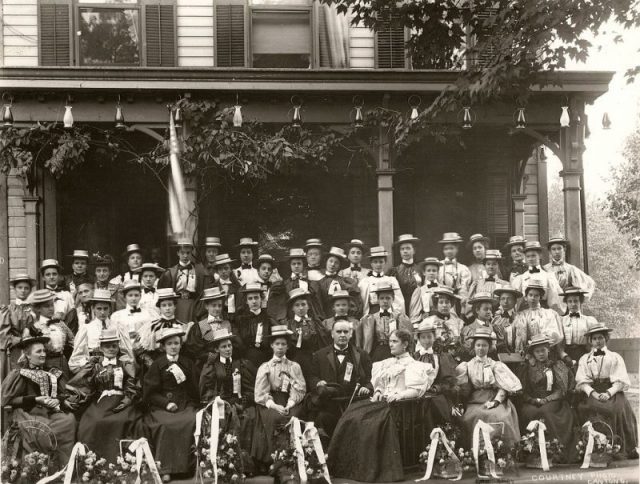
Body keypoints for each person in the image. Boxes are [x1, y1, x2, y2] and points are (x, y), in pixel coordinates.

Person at [328, 329, 434, 482]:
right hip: (383, 402)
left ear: (405, 344)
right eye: (390, 341)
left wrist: (400, 395)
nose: (390, 344)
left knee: (369, 422)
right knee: (352, 414)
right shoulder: (386, 363)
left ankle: (369, 470)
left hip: (401, 407)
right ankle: (348, 467)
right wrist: (378, 391)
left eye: (394, 341)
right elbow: (381, 384)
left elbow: (416, 390)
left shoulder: (415, 365)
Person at [1, 331, 77, 466]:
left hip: (51, 413)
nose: (43, 354)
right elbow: (9, 400)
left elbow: (63, 393)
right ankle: (41, 467)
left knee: (69, 420)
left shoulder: (52, 372)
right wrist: (36, 399)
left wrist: (58, 399)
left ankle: (63, 467)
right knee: (44, 429)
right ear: (28, 355)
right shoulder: (20, 374)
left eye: (44, 351)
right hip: (28, 413)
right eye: (38, 351)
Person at [67, 328, 139, 462]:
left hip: (121, 401)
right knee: (92, 422)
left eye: (114, 346)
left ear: (118, 346)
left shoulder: (125, 364)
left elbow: (132, 384)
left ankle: (118, 460)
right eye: (107, 346)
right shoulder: (95, 366)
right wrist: (75, 398)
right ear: (101, 347)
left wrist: (127, 400)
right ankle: (93, 461)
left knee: (120, 421)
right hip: (100, 401)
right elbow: (85, 385)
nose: (111, 349)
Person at [139, 327, 198, 481]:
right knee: (165, 425)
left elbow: (195, 388)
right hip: (162, 405)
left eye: (176, 343)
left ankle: (186, 468)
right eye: (170, 344)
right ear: (163, 347)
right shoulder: (157, 365)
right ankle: (165, 468)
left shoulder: (188, 363)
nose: (173, 346)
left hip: (185, 404)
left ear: (181, 345)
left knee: (191, 421)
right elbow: (150, 392)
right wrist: (166, 403)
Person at [575, 323, 638, 459]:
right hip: (593, 391)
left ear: (606, 339)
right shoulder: (584, 359)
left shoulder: (615, 357)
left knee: (615, 409)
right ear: (590, 341)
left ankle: (616, 446)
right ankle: (593, 447)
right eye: (595, 339)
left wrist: (608, 393)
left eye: (601, 338)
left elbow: (620, 380)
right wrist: (593, 393)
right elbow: (582, 381)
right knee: (590, 408)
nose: (598, 341)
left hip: (612, 391)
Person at [199, 328, 256, 472]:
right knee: (225, 419)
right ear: (217, 349)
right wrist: (219, 402)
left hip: (239, 401)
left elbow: (249, 388)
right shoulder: (212, 367)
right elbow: (207, 390)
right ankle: (225, 463)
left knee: (249, 417)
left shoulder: (241, 364)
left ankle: (244, 464)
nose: (228, 349)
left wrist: (243, 402)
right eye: (223, 346)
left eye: (229, 345)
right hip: (220, 403)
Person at [456, 326, 522, 447]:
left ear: (489, 347)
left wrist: (496, 401)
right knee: (469, 417)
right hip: (475, 400)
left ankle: (499, 450)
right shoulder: (467, 365)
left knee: (500, 416)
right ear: (474, 347)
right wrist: (461, 402)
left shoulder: (495, 365)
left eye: (484, 345)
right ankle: (476, 451)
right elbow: (463, 388)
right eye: (478, 345)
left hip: (493, 397)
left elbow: (503, 386)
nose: (481, 348)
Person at [252, 325, 306, 468]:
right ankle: (273, 460)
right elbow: (260, 393)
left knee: (294, 417)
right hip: (270, 402)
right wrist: (275, 405)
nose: (280, 347)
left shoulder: (294, 366)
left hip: (289, 400)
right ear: (271, 346)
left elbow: (299, 389)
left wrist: (289, 404)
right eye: (277, 344)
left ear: (288, 346)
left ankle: (292, 458)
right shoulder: (265, 367)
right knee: (276, 417)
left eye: (283, 344)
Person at [308, 319, 372, 439]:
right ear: (332, 334)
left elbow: (368, 378)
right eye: (339, 331)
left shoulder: (361, 354)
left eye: (345, 331)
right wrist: (318, 382)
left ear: (351, 334)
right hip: (329, 405)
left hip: (353, 403)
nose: (342, 335)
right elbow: (312, 376)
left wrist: (366, 387)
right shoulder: (320, 355)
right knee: (322, 419)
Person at [517, 334, 576, 463]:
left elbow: (561, 390)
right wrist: (532, 400)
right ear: (533, 353)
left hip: (553, 400)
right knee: (527, 411)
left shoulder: (557, 365)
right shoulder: (528, 368)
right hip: (533, 400)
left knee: (545, 412)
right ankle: (531, 450)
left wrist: (547, 399)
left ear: (548, 350)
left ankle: (553, 449)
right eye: (537, 351)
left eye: (543, 350)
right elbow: (524, 391)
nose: (541, 354)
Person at [68, 288, 133, 374]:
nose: (102, 312)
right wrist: (89, 362)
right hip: (94, 370)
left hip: (116, 369)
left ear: (110, 308)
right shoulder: (86, 329)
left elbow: (127, 354)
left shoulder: (119, 327)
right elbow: (77, 357)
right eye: (99, 309)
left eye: (105, 308)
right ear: (93, 309)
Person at [413, 320, 459, 424]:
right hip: (417, 394)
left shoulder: (440, 356)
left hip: (437, 394)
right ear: (419, 339)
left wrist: (436, 388)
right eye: (423, 337)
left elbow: (449, 381)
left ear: (434, 337)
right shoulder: (415, 356)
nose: (426, 340)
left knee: (431, 405)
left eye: (429, 337)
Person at [135, 288, 192, 369]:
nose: (167, 308)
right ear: (159, 307)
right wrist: (151, 364)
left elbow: (187, 350)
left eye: (170, 305)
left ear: (175, 306)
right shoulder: (151, 327)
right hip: (157, 364)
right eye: (164, 305)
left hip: (179, 364)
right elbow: (138, 349)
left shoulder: (183, 326)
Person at [357, 281, 412, 362]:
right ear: (378, 300)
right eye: (382, 298)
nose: (385, 301)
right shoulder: (371, 318)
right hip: (378, 352)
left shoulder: (400, 317)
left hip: (396, 352)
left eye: (388, 298)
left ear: (393, 299)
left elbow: (408, 338)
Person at [284, 288, 331, 381]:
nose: (301, 308)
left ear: (308, 306)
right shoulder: (289, 324)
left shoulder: (316, 322)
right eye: (297, 305)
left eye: (303, 304)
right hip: (296, 360)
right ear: (292, 308)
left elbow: (323, 341)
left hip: (315, 359)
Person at [158, 238, 207, 323]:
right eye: (182, 253)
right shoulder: (171, 272)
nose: (185, 256)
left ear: (191, 253)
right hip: (177, 305)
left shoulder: (199, 270)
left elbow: (203, 290)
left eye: (188, 253)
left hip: (193, 304)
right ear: (177, 253)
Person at [183, 287, 232, 373]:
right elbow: (194, 350)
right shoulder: (199, 326)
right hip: (207, 365)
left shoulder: (228, 323)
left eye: (219, 305)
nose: (217, 308)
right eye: (213, 305)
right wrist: (213, 356)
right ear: (206, 306)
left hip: (227, 363)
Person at [28, 289, 75, 377]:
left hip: (62, 362)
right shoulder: (35, 327)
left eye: (52, 305)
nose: (51, 308)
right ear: (38, 309)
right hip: (45, 364)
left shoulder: (60, 324)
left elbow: (72, 341)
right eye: (46, 306)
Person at [267, 248, 323, 321]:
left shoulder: (311, 284)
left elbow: (316, 305)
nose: (296, 266)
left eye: (299, 263)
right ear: (290, 265)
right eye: (294, 264)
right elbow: (280, 306)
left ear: (303, 265)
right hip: (290, 320)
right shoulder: (283, 285)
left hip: (308, 319)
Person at [511, 280, 563, 355]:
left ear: (540, 297)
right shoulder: (521, 315)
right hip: (527, 353)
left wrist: (539, 343)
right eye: (530, 295)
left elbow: (554, 334)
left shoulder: (549, 313)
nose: (533, 298)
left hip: (545, 351)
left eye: (536, 295)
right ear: (526, 297)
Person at [511, 241, 564, 314]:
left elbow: (555, 300)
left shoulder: (548, 276)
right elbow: (517, 300)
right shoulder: (521, 278)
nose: (530, 259)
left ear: (540, 256)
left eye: (533, 255)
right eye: (528, 256)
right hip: (525, 312)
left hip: (543, 312)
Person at [0, 274, 36, 378]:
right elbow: (3, 335)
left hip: (32, 350)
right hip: (14, 351)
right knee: (16, 377)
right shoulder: (8, 310)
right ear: (15, 289)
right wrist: (20, 340)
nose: (23, 290)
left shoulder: (34, 309)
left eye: (26, 288)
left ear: (30, 290)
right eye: (20, 288)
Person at [232, 282, 274, 368]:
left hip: (265, 359)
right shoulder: (240, 320)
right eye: (250, 299)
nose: (254, 301)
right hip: (247, 360)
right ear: (246, 302)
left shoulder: (268, 319)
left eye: (256, 298)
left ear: (261, 299)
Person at [358, 246, 404, 317]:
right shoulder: (365, 282)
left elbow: (399, 301)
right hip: (372, 313)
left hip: (389, 312)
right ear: (371, 263)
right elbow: (364, 302)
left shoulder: (391, 280)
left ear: (385, 262)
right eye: (375, 262)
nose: (378, 265)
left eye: (381, 262)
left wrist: (396, 315)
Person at [316, 247, 361, 319]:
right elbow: (318, 304)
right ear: (326, 262)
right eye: (331, 261)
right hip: (326, 318)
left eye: (336, 263)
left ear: (340, 266)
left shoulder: (346, 282)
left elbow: (354, 302)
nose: (333, 264)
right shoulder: (319, 284)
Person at [559, 286, 598, 366]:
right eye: (570, 301)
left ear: (581, 302)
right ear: (566, 303)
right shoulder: (561, 320)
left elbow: (595, 340)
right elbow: (559, 344)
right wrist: (564, 356)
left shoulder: (589, 320)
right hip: (567, 355)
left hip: (584, 353)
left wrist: (590, 355)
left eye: (576, 301)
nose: (573, 304)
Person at [465, 249, 509, 317]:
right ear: (484, 266)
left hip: (499, 319)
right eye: (488, 264)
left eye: (494, 264)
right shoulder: (476, 284)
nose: (491, 267)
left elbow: (507, 305)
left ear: (498, 266)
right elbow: (470, 304)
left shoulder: (505, 285)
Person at [387, 233, 423, 315]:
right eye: (402, 249)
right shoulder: (394, 271)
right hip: (401, 307)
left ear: (414, 250)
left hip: (418, 307)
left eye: (408, 248)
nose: (405, 251)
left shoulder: (420, 270)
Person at [110, 279, 154, 343]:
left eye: (136, 295)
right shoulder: (117, 316)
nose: (133, 298)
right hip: (124, 348)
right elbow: (114, 336)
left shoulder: (148, 314)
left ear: (140, 296)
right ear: (125, 297)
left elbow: (151, 333)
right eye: (130, 295)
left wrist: (141, 335)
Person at [460, 292, 498, 361]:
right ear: (477, 310)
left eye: (490, 309)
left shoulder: (495, 328)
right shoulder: (469, 329)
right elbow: (467, 350)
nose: (489, 312)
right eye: (486, 309)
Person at [437, 232, 471, 308]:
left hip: (457, 302)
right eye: (446, 249)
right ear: (443, 250)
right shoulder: (438, 266)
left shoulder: (463, 269)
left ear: (457, 249)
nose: (449, 251)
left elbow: (464, 288)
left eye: (452, 248)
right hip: (441, 301)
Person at [409, 257, 443, 324]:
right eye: (428, 270)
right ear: (424, 273)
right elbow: (415, 312)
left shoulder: (442, 289)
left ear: (438, 272)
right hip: (426, 322)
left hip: (440, 321)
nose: (431, 273)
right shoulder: (419, 291)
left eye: (434, 271)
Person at [491, 285, 523, 354]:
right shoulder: (495, 318)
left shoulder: (520, 318)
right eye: (503, 299)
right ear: (499, 301)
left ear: (515, 301)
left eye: (509, 299)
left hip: (516, 356)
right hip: (498, 355)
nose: (505, 301)